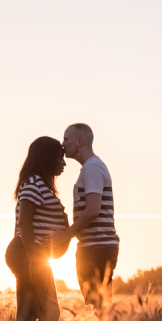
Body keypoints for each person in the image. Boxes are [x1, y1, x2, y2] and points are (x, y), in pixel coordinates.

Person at [50, 123, 119, 311]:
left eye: (66, 139)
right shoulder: (91, 168)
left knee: (101, 307)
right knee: (100, 306)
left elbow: (92, 210)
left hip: (97, 247)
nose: (62, 145)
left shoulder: (92, 169)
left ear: (79, 141)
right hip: (96, 246)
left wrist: (66, 235)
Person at [5, 136, 70, 321]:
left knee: (30, 313)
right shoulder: (34, 184)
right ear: (47, 158)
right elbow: (24, 223)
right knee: (49, 312)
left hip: (28, 254)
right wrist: (33, 259)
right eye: (60, 158)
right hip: (28, 255)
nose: (64, 163)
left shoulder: (39, 184)